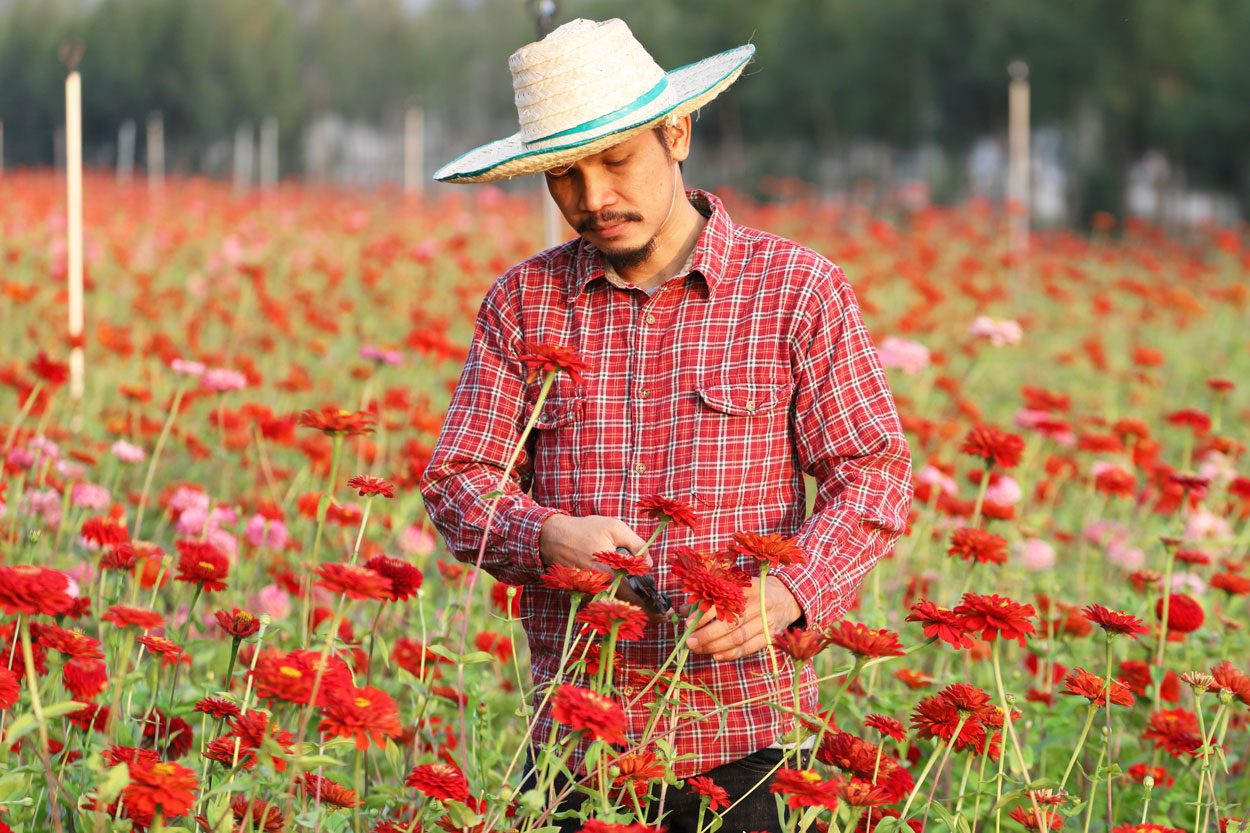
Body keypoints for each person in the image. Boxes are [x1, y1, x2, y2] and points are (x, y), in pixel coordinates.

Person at [419, 17, 913, 833]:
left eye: (616, 160)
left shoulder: (797, 291)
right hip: (578, 747)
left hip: (746, 743)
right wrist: (547, 533)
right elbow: (456, 481)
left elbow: (874, 473)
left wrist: (789, 593)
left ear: (676, 133)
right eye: (564, 174)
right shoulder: (524, 304)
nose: (592, 199)